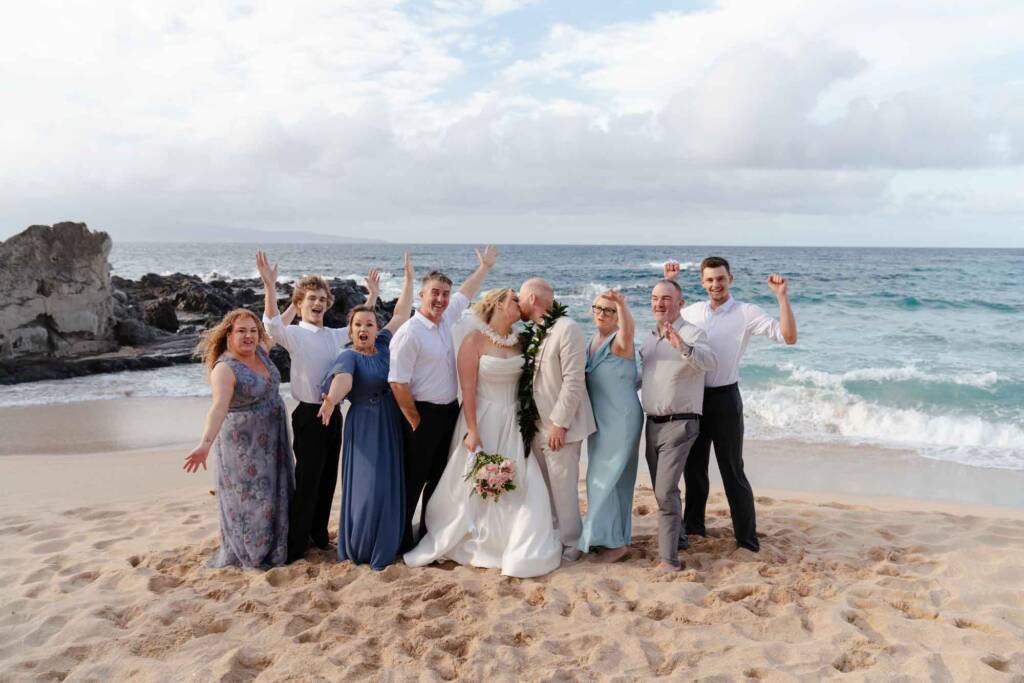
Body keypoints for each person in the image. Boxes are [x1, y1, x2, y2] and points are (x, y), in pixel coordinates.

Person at [403, 289, 562, 578]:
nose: (520, 304)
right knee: (472, 482)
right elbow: (468, 390)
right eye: (515, 299)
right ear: (500, 303)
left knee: (523, 480)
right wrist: (473, 431)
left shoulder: (522, 341)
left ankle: (516, 539)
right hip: (483, 419)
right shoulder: (473, 341)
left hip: (514, 421)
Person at [256, 251, 379, 563]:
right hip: (308, 414)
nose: (318, 303)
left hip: (334, 414)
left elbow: (361, 326)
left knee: (327, 477)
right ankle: (296, 545)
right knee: (308, 478)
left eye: (323, 298)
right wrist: (269, 287)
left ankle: (319, 535)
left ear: (328, 303)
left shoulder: (335, 336)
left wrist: (373, 296)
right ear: (300, 303)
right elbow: (271, 326)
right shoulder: (295, 334)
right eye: (311, 298)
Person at [669, 256, 797, 553]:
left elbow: (788, 337)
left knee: (732, 471)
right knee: (694, 470)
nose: (716, 284)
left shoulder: (746, 312)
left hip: (726, 399)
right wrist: (671, 281)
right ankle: (694, 528)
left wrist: (782, 297)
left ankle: (747, 539)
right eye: (710, 280)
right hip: (694, 398)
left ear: (730, 279)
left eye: (721, 278)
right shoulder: (692, 312)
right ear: (702, 283)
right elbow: (666, 320)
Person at [388, 246, 499, 551]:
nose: (441, 299)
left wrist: (485, 267)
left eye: (444, 294)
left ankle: (428, 536)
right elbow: (397, 382)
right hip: (421, 414)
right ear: (421, 296)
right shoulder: (410, 333)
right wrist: (415, 420)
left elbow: (466, 292)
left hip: (449, 413)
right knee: (413, 480)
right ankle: (399, 541)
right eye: (435, 293)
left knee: (438, 481)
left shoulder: (447, 317)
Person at [318, 255, 414, 571]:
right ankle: (362, 544)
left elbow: (401, 313)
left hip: (390, 421)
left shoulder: (385, 344)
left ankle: (389, 539)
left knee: (389, 483)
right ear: (350, 329)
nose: (363, 328)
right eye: (357, 324)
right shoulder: (349, 357)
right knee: (369, 485)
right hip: (365, 426)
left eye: (368, 324)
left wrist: (408, 281)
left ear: (375, 329)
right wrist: (331, 400)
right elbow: (342, 383)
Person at [183, 309, 293, 569]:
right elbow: (219, 407)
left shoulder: (261, 353)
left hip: (273, 442)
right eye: (241, 331)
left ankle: (276, 546)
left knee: (274, 493)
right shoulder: (224, 368)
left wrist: (293, 302)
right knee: (250, 499)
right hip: (243, 448)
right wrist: (205, 444)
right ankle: (253, 553)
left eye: (253, 331)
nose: (249, 336)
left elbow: (278, 324)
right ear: (229, 335)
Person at [639, 279, 716, 572]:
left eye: (667, 299)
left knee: (665, 491)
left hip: (681, 422)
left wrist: (682, 345)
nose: (659, 303)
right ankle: (679, 536)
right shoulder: (648, 338)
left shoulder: (693, 332)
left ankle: (669, 560)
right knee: (663, 488)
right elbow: (640, 377)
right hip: (652, 424)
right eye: (655, 298)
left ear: (680, 303)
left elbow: (711, 362)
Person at [517, 277, 596, 562]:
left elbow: (574, 381)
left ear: (533, 299)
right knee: (545, 487)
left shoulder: (567, 328)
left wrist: (559, 423)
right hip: (535, 424)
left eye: (520, 297)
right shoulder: (534, 332)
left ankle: (572, 543)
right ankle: (553, 537)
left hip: (560, 426)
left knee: (564, 487)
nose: (518, 303)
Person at [577, 290, 643, 562]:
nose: (601, 314)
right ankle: (610, 537)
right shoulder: (592, 340)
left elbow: (629, 329)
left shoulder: (620, 340)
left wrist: (623, 305)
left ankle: (616, 544)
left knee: (605, 478)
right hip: (600, 419)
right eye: (598, 308)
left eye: (608, 310)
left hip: (621, 419)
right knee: (605, 479)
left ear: (618, 316)